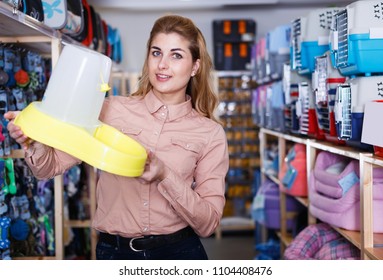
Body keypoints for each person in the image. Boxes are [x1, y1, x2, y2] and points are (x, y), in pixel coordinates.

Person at [5, 14, 229, 260]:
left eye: (176, 55)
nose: (162, 64)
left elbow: (208, 223)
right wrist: (32, 141)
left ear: (195, 66)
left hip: (179, 253)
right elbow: (49, 167)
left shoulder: (209, 133)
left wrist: (165, 175)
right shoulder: (111, 110)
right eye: (156, 53)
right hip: (115, 253)